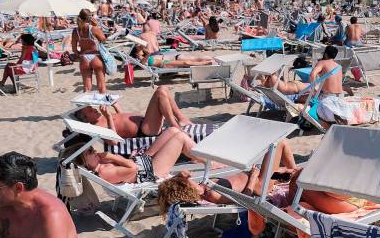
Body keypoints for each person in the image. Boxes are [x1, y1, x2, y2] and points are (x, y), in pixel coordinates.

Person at [157, 139, 297, 208]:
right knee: (280, 143)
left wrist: (179, 178)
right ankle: (295, 173)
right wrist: (253, 176)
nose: (185, 176)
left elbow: (183, 174)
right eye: (183, 179)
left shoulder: (205, 186)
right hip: (259, 187)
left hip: (258, 178)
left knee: (285, 173)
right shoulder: (212, 193)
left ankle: (293, 174)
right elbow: (245, 199)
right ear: (184, 187)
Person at [71, 127, 206, 185]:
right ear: (85, 162)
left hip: (143, 161)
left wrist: (126, 157)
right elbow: (133, 169)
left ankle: (197, 156)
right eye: (90, 152)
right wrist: (112, 157)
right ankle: (209, 161)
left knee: (173, 131)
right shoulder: (105, 171)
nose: (95, 152)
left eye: (93, 149)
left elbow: (131, 164)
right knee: (180, 138)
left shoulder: (102, 163)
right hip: (151, 172)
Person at [74, 87, 193, 138]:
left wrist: (115, 105)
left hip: (146, 122)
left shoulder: (101, 116)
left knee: (163, 89)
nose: (93, 108)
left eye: (91, 107)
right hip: (145, 130)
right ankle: (175, 126)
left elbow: (122, 119)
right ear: (86, 119)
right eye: (89, 110)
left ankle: (180, 118)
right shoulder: (98, 126)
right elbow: (113, 140)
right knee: (160, 92)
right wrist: (109, 116)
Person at [71, 9, 107, 93]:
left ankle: (88, 106)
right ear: (90, 17)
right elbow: (103, 40)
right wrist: (97, 26)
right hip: (96, 56)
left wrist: (80, 54)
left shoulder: (75, 31)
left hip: (84, 58)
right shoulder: (94, 29)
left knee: (87, 88)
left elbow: (74, 49)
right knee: (101, 86)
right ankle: (103, 106)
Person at [131, 44, 213, 68]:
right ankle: (206, 63)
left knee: (192, 60)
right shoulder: (141, 61)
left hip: (167, 60)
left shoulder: (145, 57)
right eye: (138, 48)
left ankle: (210, 60)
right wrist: (141, 48)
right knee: (186, 62)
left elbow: (148, 52)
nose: (140, 47)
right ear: (136, 53)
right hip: (165, 63)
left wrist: (142, 47)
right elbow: (147, 56)